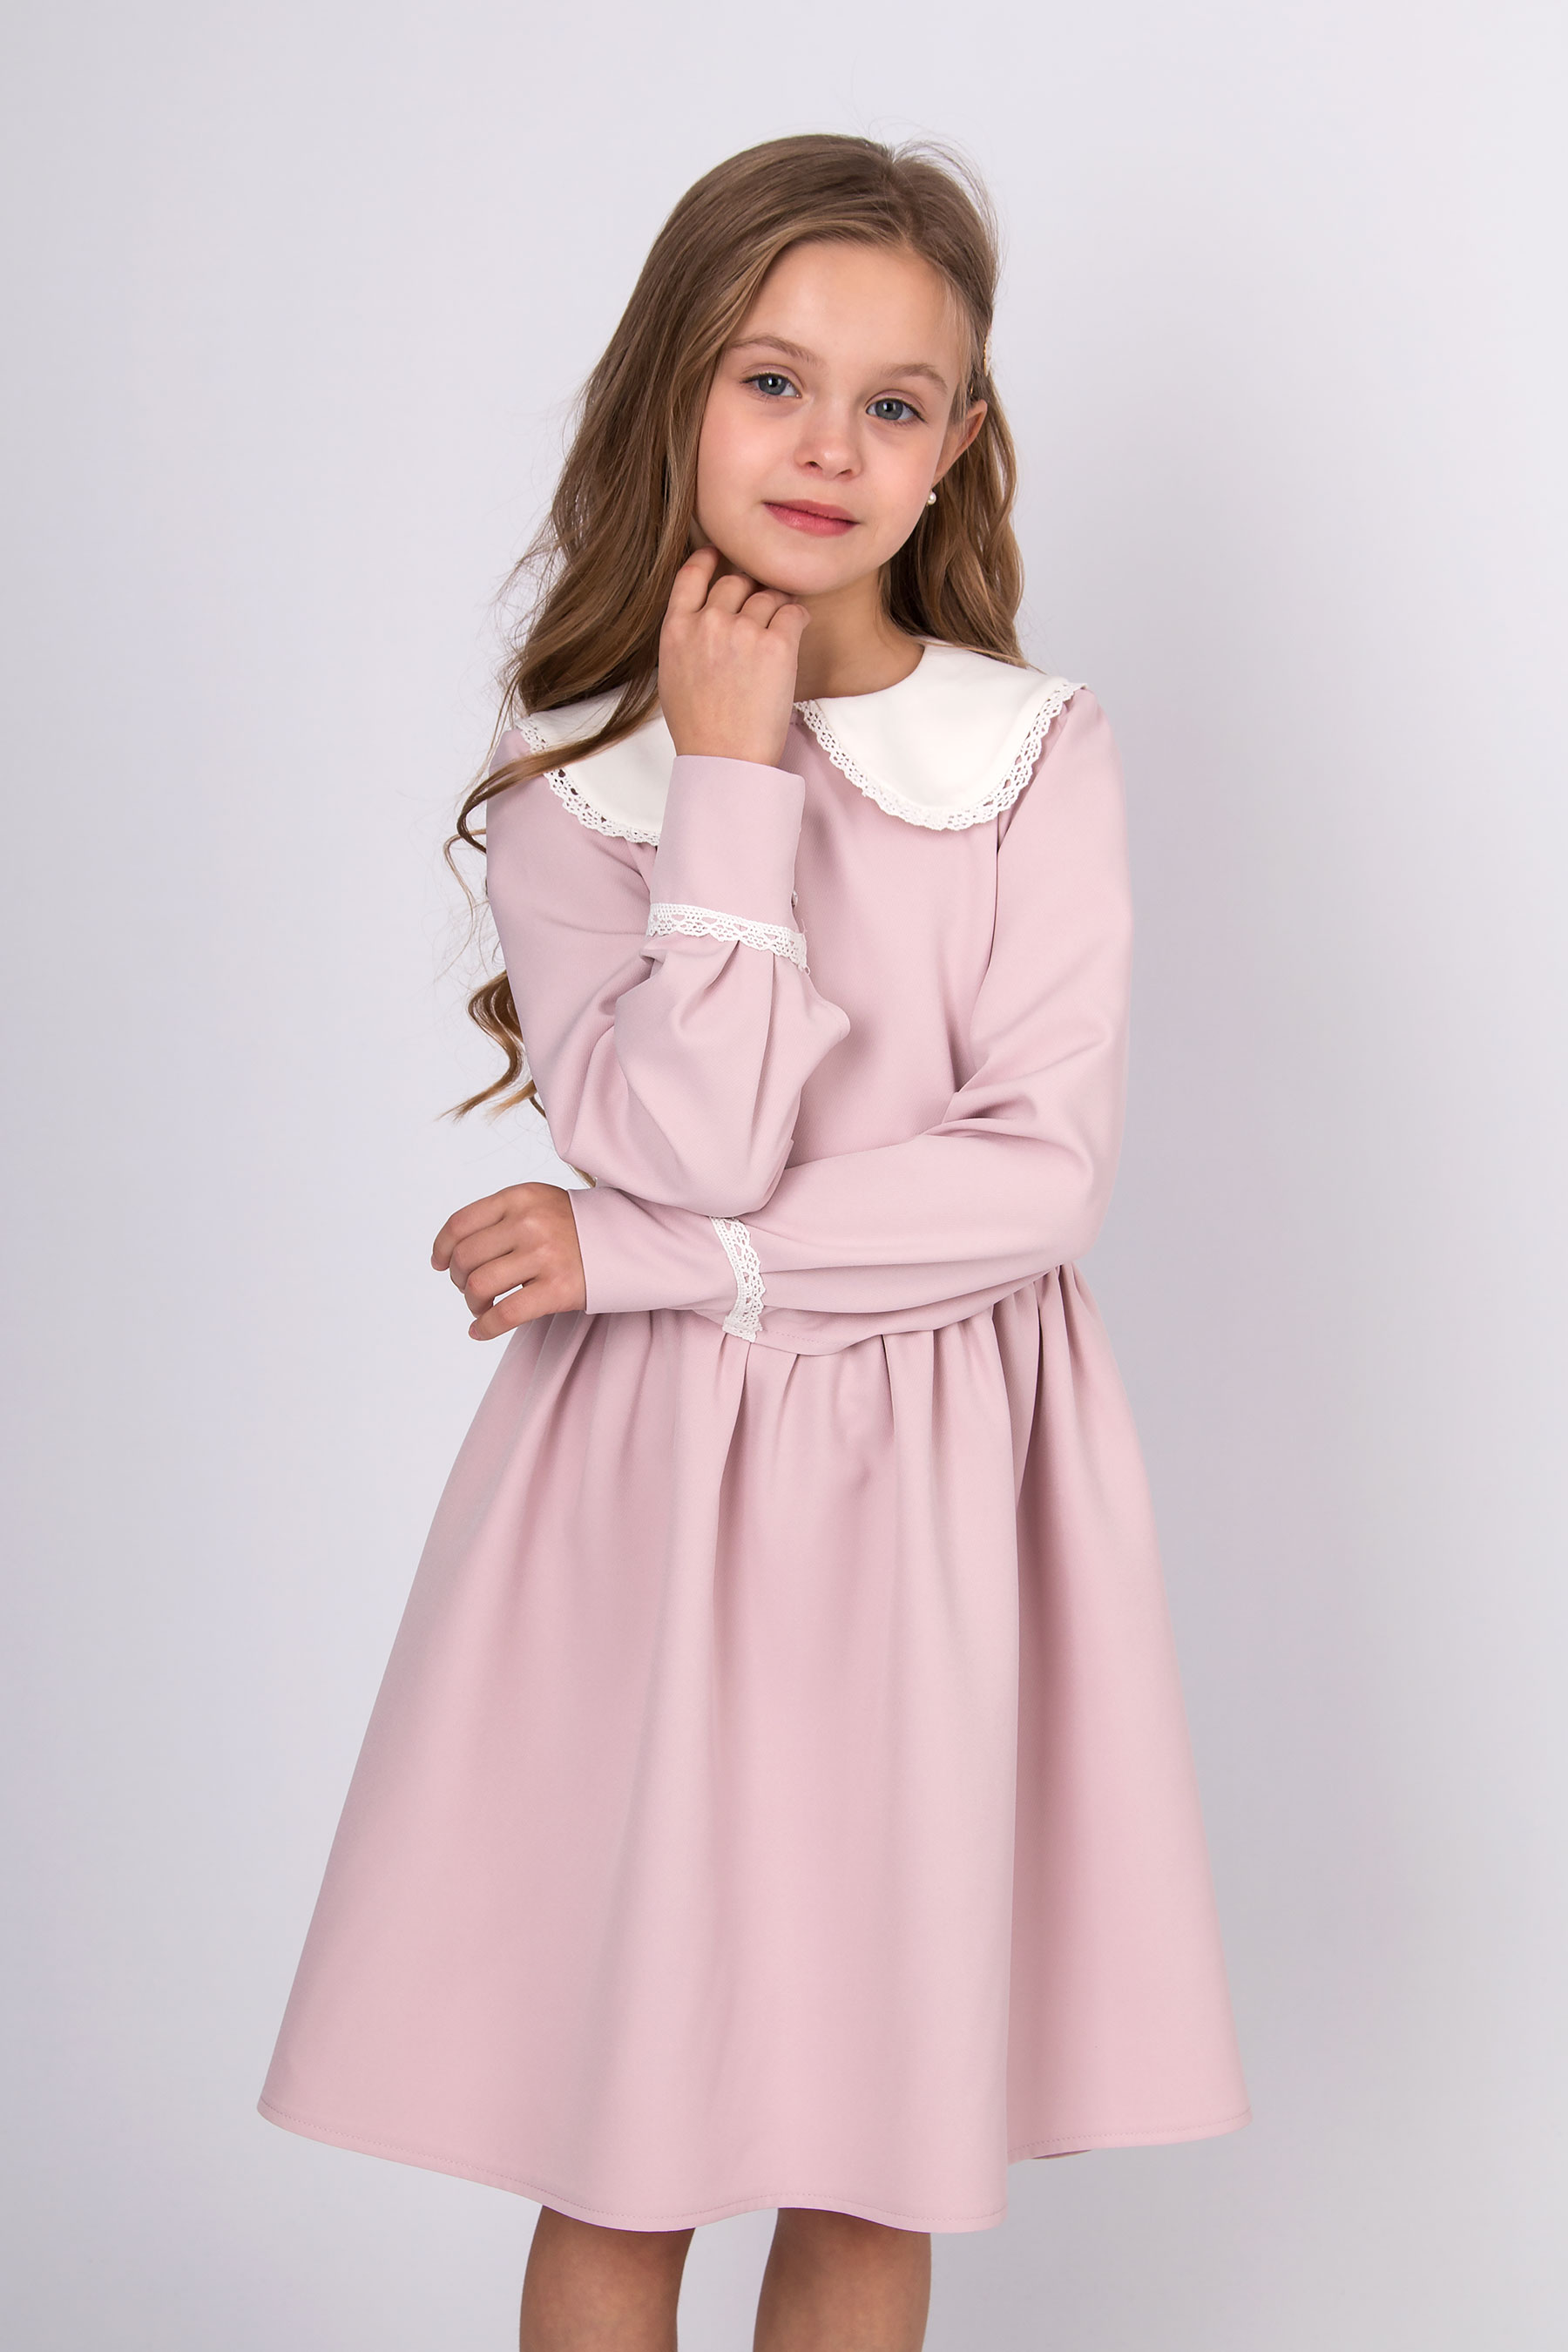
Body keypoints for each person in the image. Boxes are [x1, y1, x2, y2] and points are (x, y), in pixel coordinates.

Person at [259, 132, 1250, 2352]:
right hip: (657, 1498)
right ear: (676, 390)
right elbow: (688, 1139)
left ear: (957, 446)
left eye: (895, 403)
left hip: (939, 1494)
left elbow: (1036, 1178)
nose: (830, 445)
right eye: (774, 380)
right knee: (634, 2144)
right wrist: (729, 774)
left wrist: (646, 1260)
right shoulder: (580, 776)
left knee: (867, 2141)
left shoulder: (1030, 749)